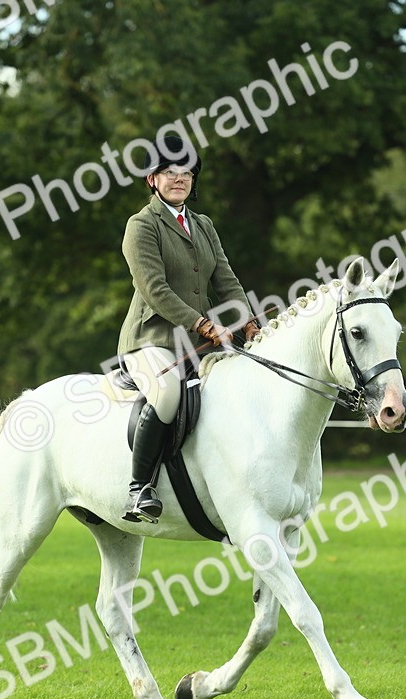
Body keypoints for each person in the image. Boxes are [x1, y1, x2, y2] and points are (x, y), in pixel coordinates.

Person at [117, 135, 260, 523]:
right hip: (151, 340)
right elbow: (155, 289)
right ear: (152, 179)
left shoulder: (203, 225)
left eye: (186, 172)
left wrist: (247, 321)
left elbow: (226, 280)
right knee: (167, 394)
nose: (179, 178)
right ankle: (139, 488)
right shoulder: (141, 225)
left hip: (199, 343)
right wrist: (203, 323)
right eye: (169, 171)